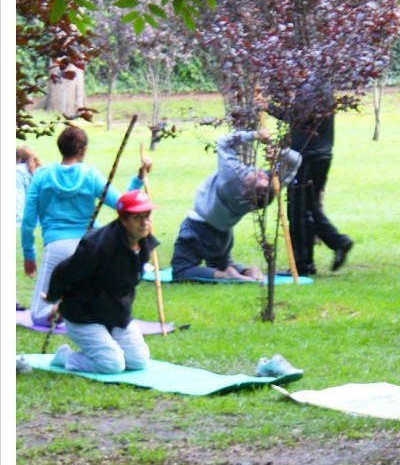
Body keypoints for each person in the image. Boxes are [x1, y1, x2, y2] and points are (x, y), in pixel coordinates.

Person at [20, 126, 149, 326]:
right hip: (89, 249)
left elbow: (28, 221)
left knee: (39, 315)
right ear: (83, 150)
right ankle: (73, 312)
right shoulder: (91, 175)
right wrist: (138, 179)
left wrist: (29, 254)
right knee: (86, 295)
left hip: (56, 246)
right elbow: (123, 205)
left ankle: (59, 310)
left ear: (60, 148)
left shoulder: (42, 175)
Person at [47, 189, 158, 373]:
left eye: (147, 216)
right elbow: (64, 271)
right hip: (83, 313)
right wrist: (54, 298)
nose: (145, 222)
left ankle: (106, 342)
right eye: (138, 217)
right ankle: (65, 356)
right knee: (112, 364)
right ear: (123, 219)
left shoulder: (144, 242)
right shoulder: (96, 246)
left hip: (116, 313)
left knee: (138, 361)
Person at [170, 129, 301, 281]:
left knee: (180, 270)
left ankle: (225, 275)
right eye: (264, 176)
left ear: (247, 186)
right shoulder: (267, 190)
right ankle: (248, 272)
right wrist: (278, 153)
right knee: (222, 263)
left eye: (259, 177)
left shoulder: (233, 177)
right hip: (223, 234)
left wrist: (255, 136)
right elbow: (296, 160)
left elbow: (223, 143)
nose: (262, 173)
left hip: (197, 227)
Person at [285, 80, 353, 276]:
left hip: (307, 156)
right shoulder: (319, 83)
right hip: (320, 154)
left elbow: (298, 117)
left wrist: (268, 106)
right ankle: (338, 242)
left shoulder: (310, 87)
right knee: (309, 206)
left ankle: (303, 264)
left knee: (298, 210)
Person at [16, 146, 40, 227]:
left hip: (24, 219)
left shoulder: (17, 171)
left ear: (18, 159)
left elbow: (18, 199)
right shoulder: (38, 170)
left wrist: (18, 222)